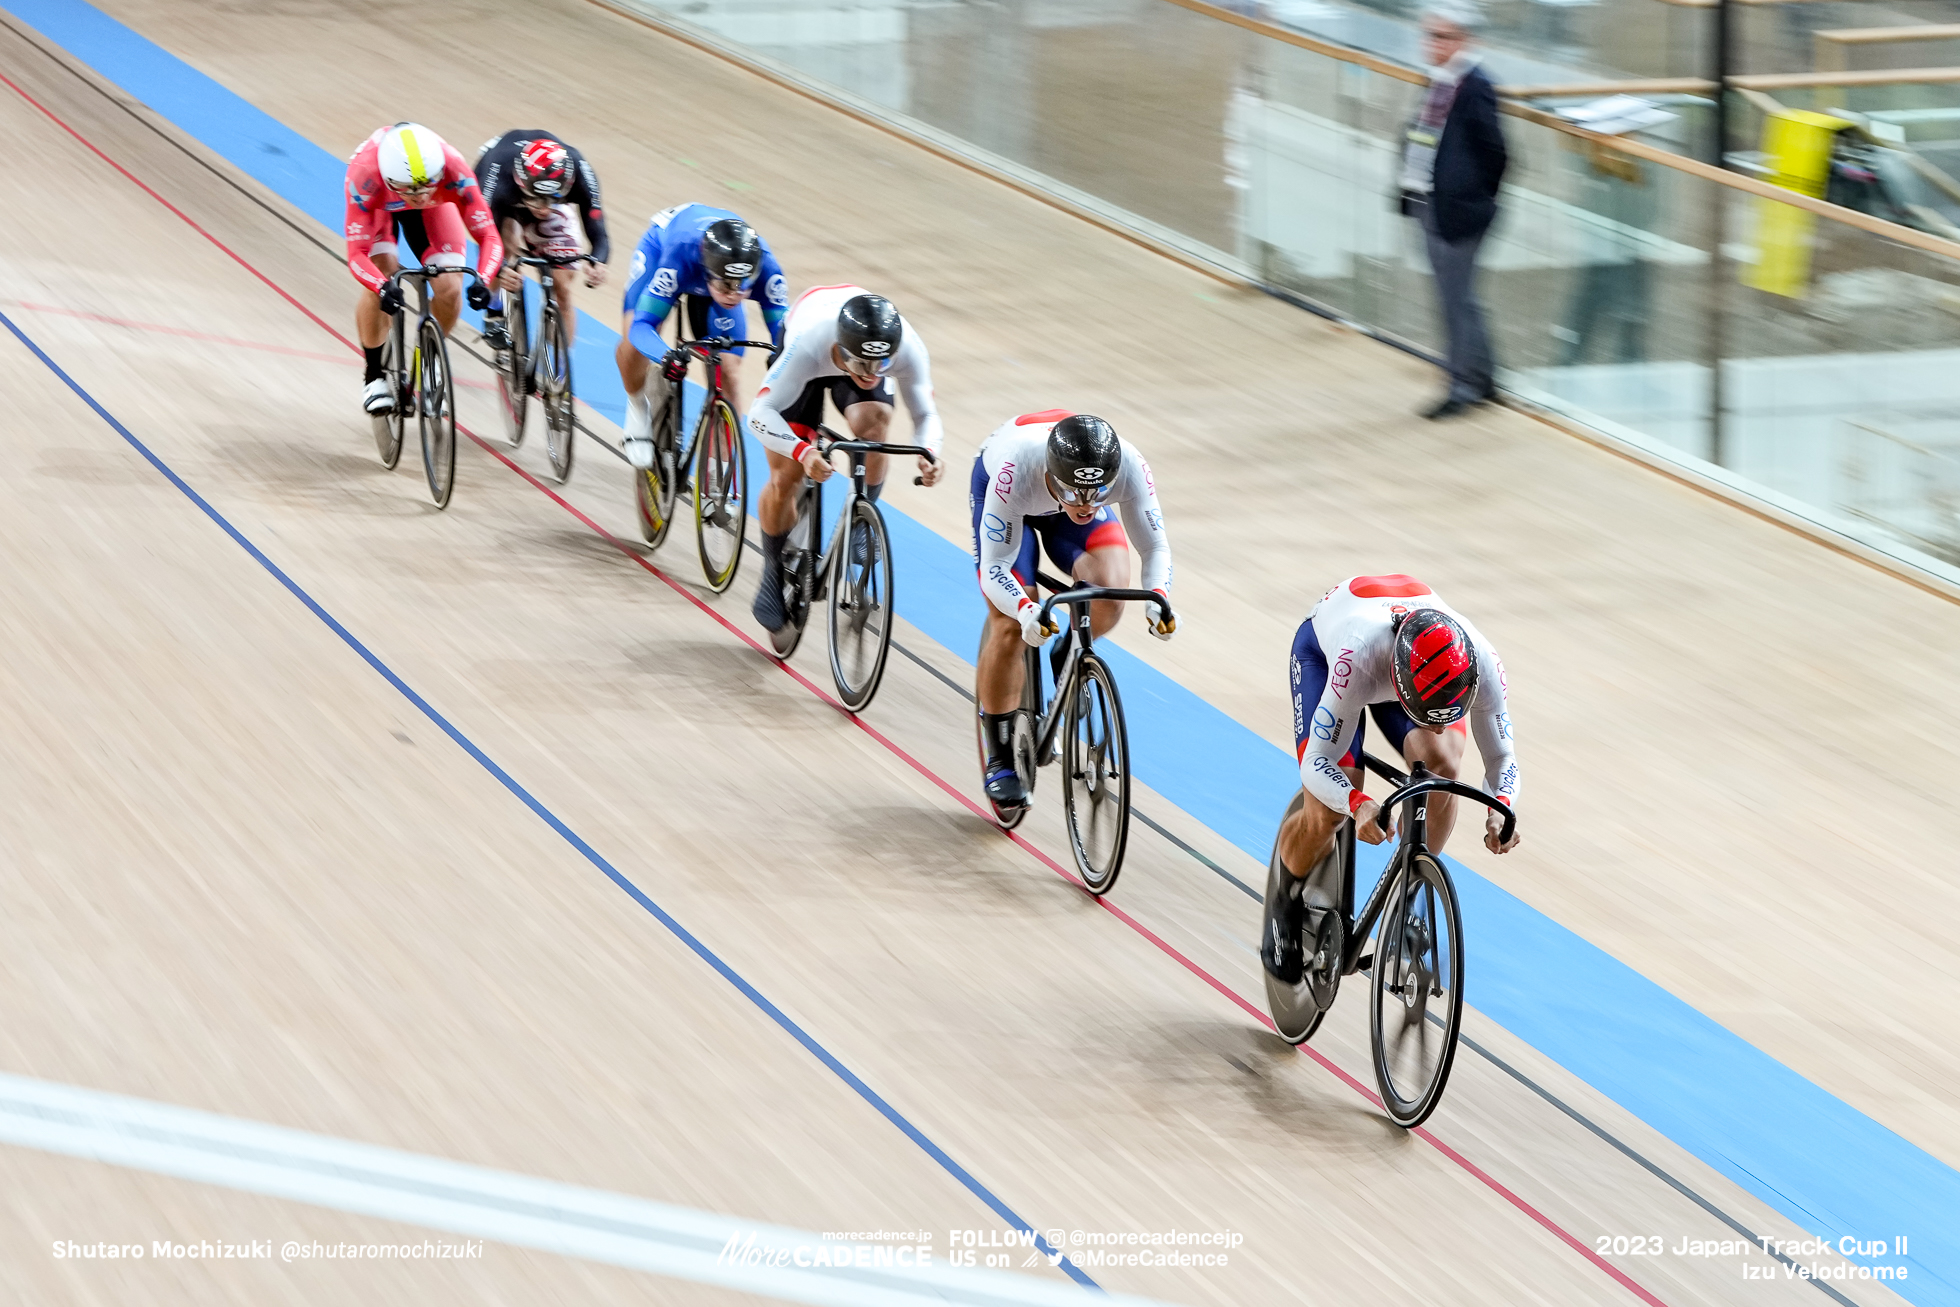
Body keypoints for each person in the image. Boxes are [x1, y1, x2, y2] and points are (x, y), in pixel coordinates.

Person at [1263, 574, 1520, 982]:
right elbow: (1317, 761)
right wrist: (1356, 803)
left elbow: (1502, 757)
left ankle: (1412, 885)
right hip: (1329, 655)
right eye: (1429, 718)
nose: (1439, 728)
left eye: (1450, 716)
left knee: (1444, 763)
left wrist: (1500, 809)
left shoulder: (1481, 660)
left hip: (1415, 667)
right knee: (1328, 812)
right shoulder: (1357, 658)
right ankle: (1285, 898)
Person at [970, 411, 1176, 812]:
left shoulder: (1128, 466)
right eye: (1073, 492)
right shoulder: (1017, 468)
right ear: (1052, 473)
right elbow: (994, 569)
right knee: (1010, 625)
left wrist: (1159, 597)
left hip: (1051, 496)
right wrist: (1026, 608)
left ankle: (1068, 650)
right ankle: (999, 755)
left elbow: (1155, 548)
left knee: (1112, 588)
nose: (1084, 505)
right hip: (1012, 498)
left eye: (1097, 493)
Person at [745, 287, 945, 632]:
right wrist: (802, 451)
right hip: (809, 348)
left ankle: (862, 517)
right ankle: (773, 569)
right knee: (786, 478)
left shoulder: (906, 348)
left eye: (881, 363)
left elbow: (926, 416)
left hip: (853, 343)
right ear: (840, 348)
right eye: (863, 363)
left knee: (876, 422)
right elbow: (759, 414)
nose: (871, 373)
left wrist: (930, 452)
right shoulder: (810, 343)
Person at [1397, 3, 1507, 420]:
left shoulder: (1475, 85)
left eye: (1441, 37)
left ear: (1464, 40)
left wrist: (1475, 197)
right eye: (1428, 35)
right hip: (1429, 200)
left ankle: (1461, 386)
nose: (1431, 44)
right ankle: (1483, 377)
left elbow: (1496, 151)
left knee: (1453, 300)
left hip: (1458, 209)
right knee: (1460, 297)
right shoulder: (1439, 79)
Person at [615, 204, 788, 469]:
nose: (735, 295)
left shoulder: (766, 268)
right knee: (632, 340)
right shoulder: (680, 257)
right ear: (707, 274)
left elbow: (785, 334)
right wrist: (665, 355)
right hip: (662, 247)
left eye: (743, 286)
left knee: (728, 372)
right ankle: (638, 406)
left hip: (715, 265)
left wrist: (782, 357)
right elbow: (642, 327)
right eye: (726, 286)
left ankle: (719, 477)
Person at [345, 123, 500, 415]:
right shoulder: (364, 177)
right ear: (391, 179)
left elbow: (489, 236)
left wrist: (483, 279)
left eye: (426, 187)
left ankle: (428, 362)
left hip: (433, 209)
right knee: (383, 273)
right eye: (408, 190)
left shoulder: (454, 168)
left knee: (450, 289)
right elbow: (357, 254)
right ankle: (374, 375)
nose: (418, 196)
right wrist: (380, 286)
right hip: (380, 207)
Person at [473, 130, 610, 354]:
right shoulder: (496, 174)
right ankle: (494, 308)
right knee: (505, 244)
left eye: (552, 200)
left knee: (561, 287)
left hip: (532, 190)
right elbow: (485, 234)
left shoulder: (580, 171)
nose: (544, 209)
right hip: (505, 197)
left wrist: (598, 260)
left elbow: (598, 228)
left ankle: (559, 371)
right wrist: (499, 269)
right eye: (538, 200)